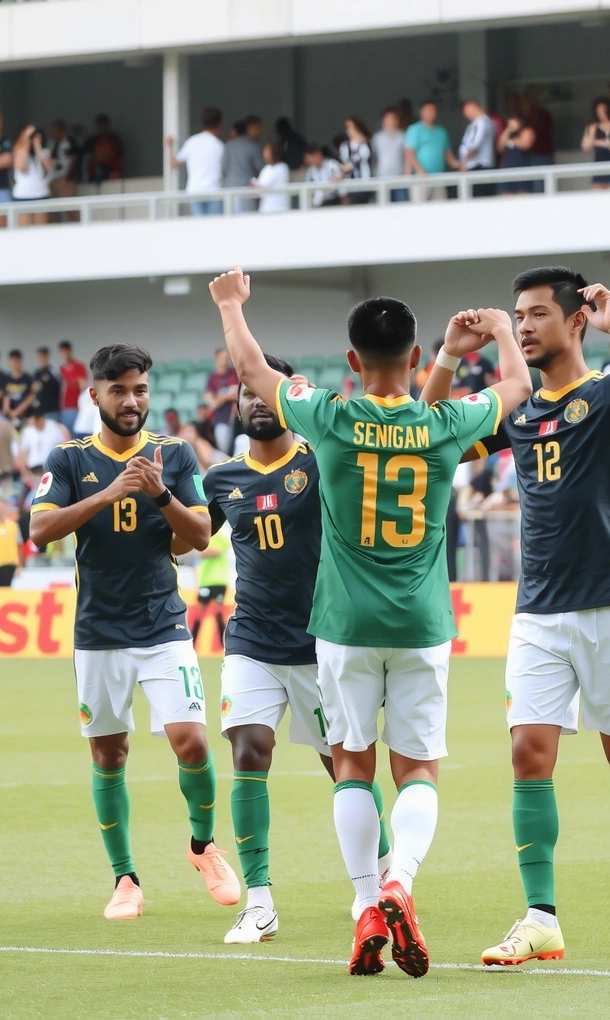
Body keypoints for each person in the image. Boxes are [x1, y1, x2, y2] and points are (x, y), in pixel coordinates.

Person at [209, 265, 531, 977]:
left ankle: (364, 905)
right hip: (420, 622)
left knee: (352, 765)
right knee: (417, 766)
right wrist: (501, 333)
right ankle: (400, 883)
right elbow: (516, 390)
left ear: (352, 362)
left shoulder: (328, 414)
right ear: (414, 359)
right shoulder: (445, 422)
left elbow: (252, 369)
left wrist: (231, 304)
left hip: (342, 625)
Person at [420, 269, 610, 963]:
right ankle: (540, 916)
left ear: (576, 320)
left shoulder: (609, 394)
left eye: (539, 314)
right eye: (519, 316)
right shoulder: (518, 409)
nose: (526, 326)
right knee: (527, 754)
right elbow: (425, 435)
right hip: (538, 611)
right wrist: (451, 355)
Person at [28, 343, 238, 920]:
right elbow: (39, 529)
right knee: (109, 753)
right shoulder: (69, 458)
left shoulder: (174, 454)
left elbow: (199, 534)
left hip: (163, 624)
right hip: (97, 631)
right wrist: (107, 493)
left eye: (140, 389)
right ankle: (124, 879)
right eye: (118, 390)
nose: (131, 400)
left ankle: (203, 846)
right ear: (94, 394)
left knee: (191, 739)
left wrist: (158, 493)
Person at [202, 355, 394, 943]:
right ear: (236, 404)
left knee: (343, 766)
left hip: (321, 644)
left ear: (287, 399)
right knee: (248, 750)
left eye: (268, 392)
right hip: (251, 639)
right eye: (248, 393)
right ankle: (258, 902)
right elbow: (187, 538)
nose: (258, 402)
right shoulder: (222, 479)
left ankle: (385, 880)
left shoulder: (321, 462)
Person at [166, 106, 225, 216]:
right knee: (216, 229)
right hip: (214, 191)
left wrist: (170, 146)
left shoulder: (192, 142)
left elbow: (174, 163)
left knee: (199, 228)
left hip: (195, 191)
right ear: (220, 124)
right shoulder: (220, 146)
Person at [404, 101, 457, 202]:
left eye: (433, 110)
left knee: (440, 208)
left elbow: (447, 154)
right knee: (419, 209)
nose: (430, 113)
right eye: (427, 110)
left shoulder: (442, 132)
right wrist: (421, 172)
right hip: (420, 178)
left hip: (438, 177)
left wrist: (458, 165)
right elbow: (409, 153)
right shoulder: (415, 129)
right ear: (421, 112)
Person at [190, 521, 229, 646]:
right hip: (204, 581)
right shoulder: (200, 535)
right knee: (199, 614)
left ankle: (225, 645)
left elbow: (217, 551)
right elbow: (197, 553)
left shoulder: (220, 534)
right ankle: (192, 644)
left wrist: (204, 553)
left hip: (218, 580)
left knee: (218, 613)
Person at [582, 98, 610, 190]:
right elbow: (585, 146)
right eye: (598, 111)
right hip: (599, 167)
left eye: (603, 110)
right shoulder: (593, 127)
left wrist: (607, 144)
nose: (601, 113)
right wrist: (596, 138)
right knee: (597, 197)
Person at [12, 125, 52, 225]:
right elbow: (22, 167)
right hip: (22, 195)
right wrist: (26, 142)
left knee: (41, 232)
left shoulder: (45, 151)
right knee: (24, 232)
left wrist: (38, 147)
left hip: (41, 194)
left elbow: (48, 167)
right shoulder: (18, 150)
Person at [222, 119, 264, 214]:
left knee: (230, 218)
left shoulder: (228, 145)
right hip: (247, 187)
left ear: (235, 131)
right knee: (248, 219)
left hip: (230, 187)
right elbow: (260, 166)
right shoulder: (252, 145)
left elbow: (223, 168)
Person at [458, 100, 497, 196]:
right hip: (477, 166)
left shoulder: (481, 123)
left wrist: (464, 162)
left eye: (466, 111)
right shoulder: (480, 123)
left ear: (473, 107)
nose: (466, 115)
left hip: (478, 167)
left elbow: (475, 145)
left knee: (478, 200)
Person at [16, 411, 68, 484]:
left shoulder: (53, 427)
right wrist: (25, 473)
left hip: (49, 469)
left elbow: (62, 448)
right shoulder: (29, 431)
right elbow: (23, 453)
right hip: (33, 470)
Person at [204, 348, 239, 454]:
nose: (226, 360)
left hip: (237, 419)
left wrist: (222, 396)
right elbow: (212, 403)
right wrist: (226, 396)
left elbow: (240, 394)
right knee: (224, 449)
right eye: (224, 358)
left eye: (227, 358)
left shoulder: (235, 374)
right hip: (221, 419)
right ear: (217, 359)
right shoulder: (212, 379)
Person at [371, 107, 407, 202]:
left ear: (397, 120)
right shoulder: (377, 138)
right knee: (383, 211)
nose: (391, 121)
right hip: (382, 178)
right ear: (383, 120)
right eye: (388, 118)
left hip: (399, 178)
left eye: (393, 118)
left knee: (402, 209)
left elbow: (407, 157)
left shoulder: (403, 136)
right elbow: (374, 158)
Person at [497, 115, 537, 194]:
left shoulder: (527, 131)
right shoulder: (508, 133)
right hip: (507, 169)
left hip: (522, 168)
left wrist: (511, 142)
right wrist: (508, 130)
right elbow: (499, 148)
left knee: (523, 195)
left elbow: (525, 144)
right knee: (506, 195)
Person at [338, 117, 373, 204]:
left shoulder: (364, 145)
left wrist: (349, 165)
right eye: (348, 128)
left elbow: (364, 155)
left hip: (363, 184)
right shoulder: (344, 146)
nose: (349, 130)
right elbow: (343, 164)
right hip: (349, 185)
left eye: (352, 127)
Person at [251, 142, 290, 214]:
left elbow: (263, 185)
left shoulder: (282, 167)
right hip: (266, 208)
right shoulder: (267, 168)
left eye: (267, 151)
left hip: (279, 209)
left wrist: (256, 185)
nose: (265, 154)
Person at [83, 113, 124, 183]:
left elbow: (120, 159)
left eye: (102, 125)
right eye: (99, 126)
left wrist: (118, 172)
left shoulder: (114, 139)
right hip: (96, 173)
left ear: (107, 125)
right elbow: (89, 159)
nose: (100, 128)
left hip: (112, 172)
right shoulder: (93, 140)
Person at [58, 341, 88, 434]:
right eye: (62, 352)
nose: (65, 354)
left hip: (77, 406)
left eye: (66, 351)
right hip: (65, 407)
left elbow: (84, 384)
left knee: (77, 434)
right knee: (66, 434)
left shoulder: (79, 367)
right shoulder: (60, 369)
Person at [47, 119, 80, 205]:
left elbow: (75, 158)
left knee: (70, 207)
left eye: (54, 129)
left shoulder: (69, 141)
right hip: (53, 179)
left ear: (60, 129)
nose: (52, 132)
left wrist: (69, 176)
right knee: (53, 209)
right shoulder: (53, 144)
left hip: (65, 179)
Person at [3, 349, 35, 425]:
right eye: (12, 361)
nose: (14, 363)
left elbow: (31, 397)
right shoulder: (6, 379)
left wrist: (17, 411)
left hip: (25, 416)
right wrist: (8, 411)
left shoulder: (28, 378)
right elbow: (5, 397)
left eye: (16, 361)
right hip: (10, 417)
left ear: (20, 361)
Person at [31, 346, 61, 422]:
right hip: (41, 409)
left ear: (47, 356)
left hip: (53, 409)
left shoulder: (53, 370)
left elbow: (60, 385)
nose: (42, 359)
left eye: (43, 356)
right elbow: (34, 388)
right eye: (40, 357)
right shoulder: (37, 373)